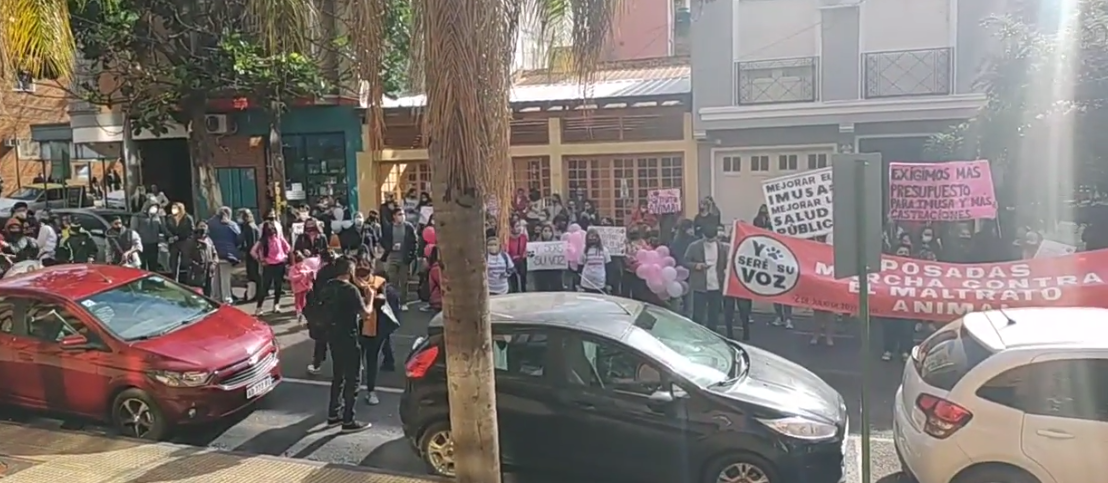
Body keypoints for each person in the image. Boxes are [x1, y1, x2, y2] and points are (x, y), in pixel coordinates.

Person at [317, 257, 372, 433]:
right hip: (349, 336)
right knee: (353, 378)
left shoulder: (328, 287)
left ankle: (334, 414)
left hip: (332, 336)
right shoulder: (350, 290)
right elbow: (366, 315)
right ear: (349, 271)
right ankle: (349, 419)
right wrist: (370, 298)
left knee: (338, 376)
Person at [357, 263, 401, 405]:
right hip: (365, 328)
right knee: (364, 360)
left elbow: (383, 301)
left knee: (367, 359)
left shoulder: (377, 283)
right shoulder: (356, 283)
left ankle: (368, 390)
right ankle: (365, 391)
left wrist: (370, 299)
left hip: (370, 329)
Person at [683, 225, 730, 331]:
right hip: (700, 286)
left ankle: (712, 334)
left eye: (712, 239)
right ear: (703, 235)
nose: (710, 241)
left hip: (717, 285)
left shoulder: (722, 247)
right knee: (698, 314)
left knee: (714, 315)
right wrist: (696, 265)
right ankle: (697, 334)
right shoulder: (694, 246)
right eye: (708, 239)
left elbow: (726, 264)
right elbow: (685, 261)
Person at [306, 250, 341, 375]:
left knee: (321, 341)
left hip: (325, 310)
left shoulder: (321, 273)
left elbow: (316, 293)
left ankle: (317, 365)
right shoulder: (338, 271)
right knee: (340, 341)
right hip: (340, 310)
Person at [881, 244, 917, 361]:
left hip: (908, 304)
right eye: (901, 251)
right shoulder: (889, 269)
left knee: (906, 329)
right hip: (891, 303)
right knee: (890, 328)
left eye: (906, 252)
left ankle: (905, 351)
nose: (903, 254)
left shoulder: (916, 269)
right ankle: (888, 350)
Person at [250, 221, 291, 315]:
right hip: (269, 266)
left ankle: (276, 305)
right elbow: (253, 251)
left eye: (273, 229)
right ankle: (259, 307)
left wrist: (284, 256)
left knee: (278, 286)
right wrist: (261, 260)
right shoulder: (262, 241)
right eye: (269, 230)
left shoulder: (279, 238)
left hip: (279, 264)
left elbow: (288, 247)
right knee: (265, 287)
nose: (272, 231)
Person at [378, 208, 418, 308]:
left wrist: (411, 255)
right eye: (399, 214)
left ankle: (403, 302)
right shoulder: (389, 228)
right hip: (392, 258)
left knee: (404, 281)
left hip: (404, 258)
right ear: (394, 216)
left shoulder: (409, 227)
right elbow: (383, 240)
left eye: (403, 214)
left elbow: (414, 242)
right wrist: (390, 247)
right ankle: (393, 302)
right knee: (392, 281)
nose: (402, 216)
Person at [207, 206, 241, 304]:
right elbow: (239, 238)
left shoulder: (210, 223)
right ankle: (227, 299)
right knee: (225, 280)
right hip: (227, 255)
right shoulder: (231, 225)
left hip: (213, 255)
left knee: (215, 280)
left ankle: (215, 298)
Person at [179, 221, 218, 294]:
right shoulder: (191, 241)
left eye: (204, 226)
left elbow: (215, 254)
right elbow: (185, 258)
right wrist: (196, 266)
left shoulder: (209, 240)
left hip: (208, 273)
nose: (203, 228)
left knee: (208, 293)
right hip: (195, 274)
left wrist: (214, 264)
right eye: (201, 226)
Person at [134, 200, 167, 272]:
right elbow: (134, 231)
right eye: (153, 207)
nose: (154, 209)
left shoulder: (157, 217)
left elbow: (163, 229)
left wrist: (162, 218)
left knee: (153, 265)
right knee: (142, 266)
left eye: (156, 207)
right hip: (142, 244)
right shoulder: (138, 217)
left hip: (154, 244)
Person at [166, 202, 195, 282]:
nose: (173, 210)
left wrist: (179, 237)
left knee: (186, 261)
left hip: (184, 242)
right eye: (173, 208)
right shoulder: (170, 218)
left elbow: (191, 230)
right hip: (174, 243)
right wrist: (170, 237)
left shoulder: (188, 218)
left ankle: (187, 279)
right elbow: (167, 229)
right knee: (173, 261)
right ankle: (175, 279)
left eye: (175, 208)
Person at [237, 210, 261, 301]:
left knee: (253, 274)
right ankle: (253, 293)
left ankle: (254, 294)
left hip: (251, 254)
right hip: (251, 254)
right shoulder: (248, 226)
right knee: (253, 274)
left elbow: (252, 242)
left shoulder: (250, 227)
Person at [578, 228, 611, 293]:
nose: (592, 239)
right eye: (590, 237)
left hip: (600, 283)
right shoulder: (583, 250)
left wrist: (608, 282)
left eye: (594, 236)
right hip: (586, 283)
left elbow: (608, 267)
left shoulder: (604, 250)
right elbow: (580, 266)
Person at [531, 224, 563, 292]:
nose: (547, 233)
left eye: (549, 231)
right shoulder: (535, 244)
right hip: (540, 273)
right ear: (542, 232)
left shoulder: (558, 244)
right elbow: (531, 258)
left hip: (554, 272)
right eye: (545, 231)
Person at [506, 222, 528, 293]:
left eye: (519, 226)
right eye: (516, 226)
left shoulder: (523, 237)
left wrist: (522, 255)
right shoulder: (506, 238)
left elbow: (526, 248)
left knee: (522, 275)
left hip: (521, 260)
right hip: (510, 261)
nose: (518, 228)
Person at [427, 246, 442, 312]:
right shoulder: (436, 268)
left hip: (437, 299)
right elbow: (441, 283)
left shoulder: (434, 267)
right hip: (439, 299)